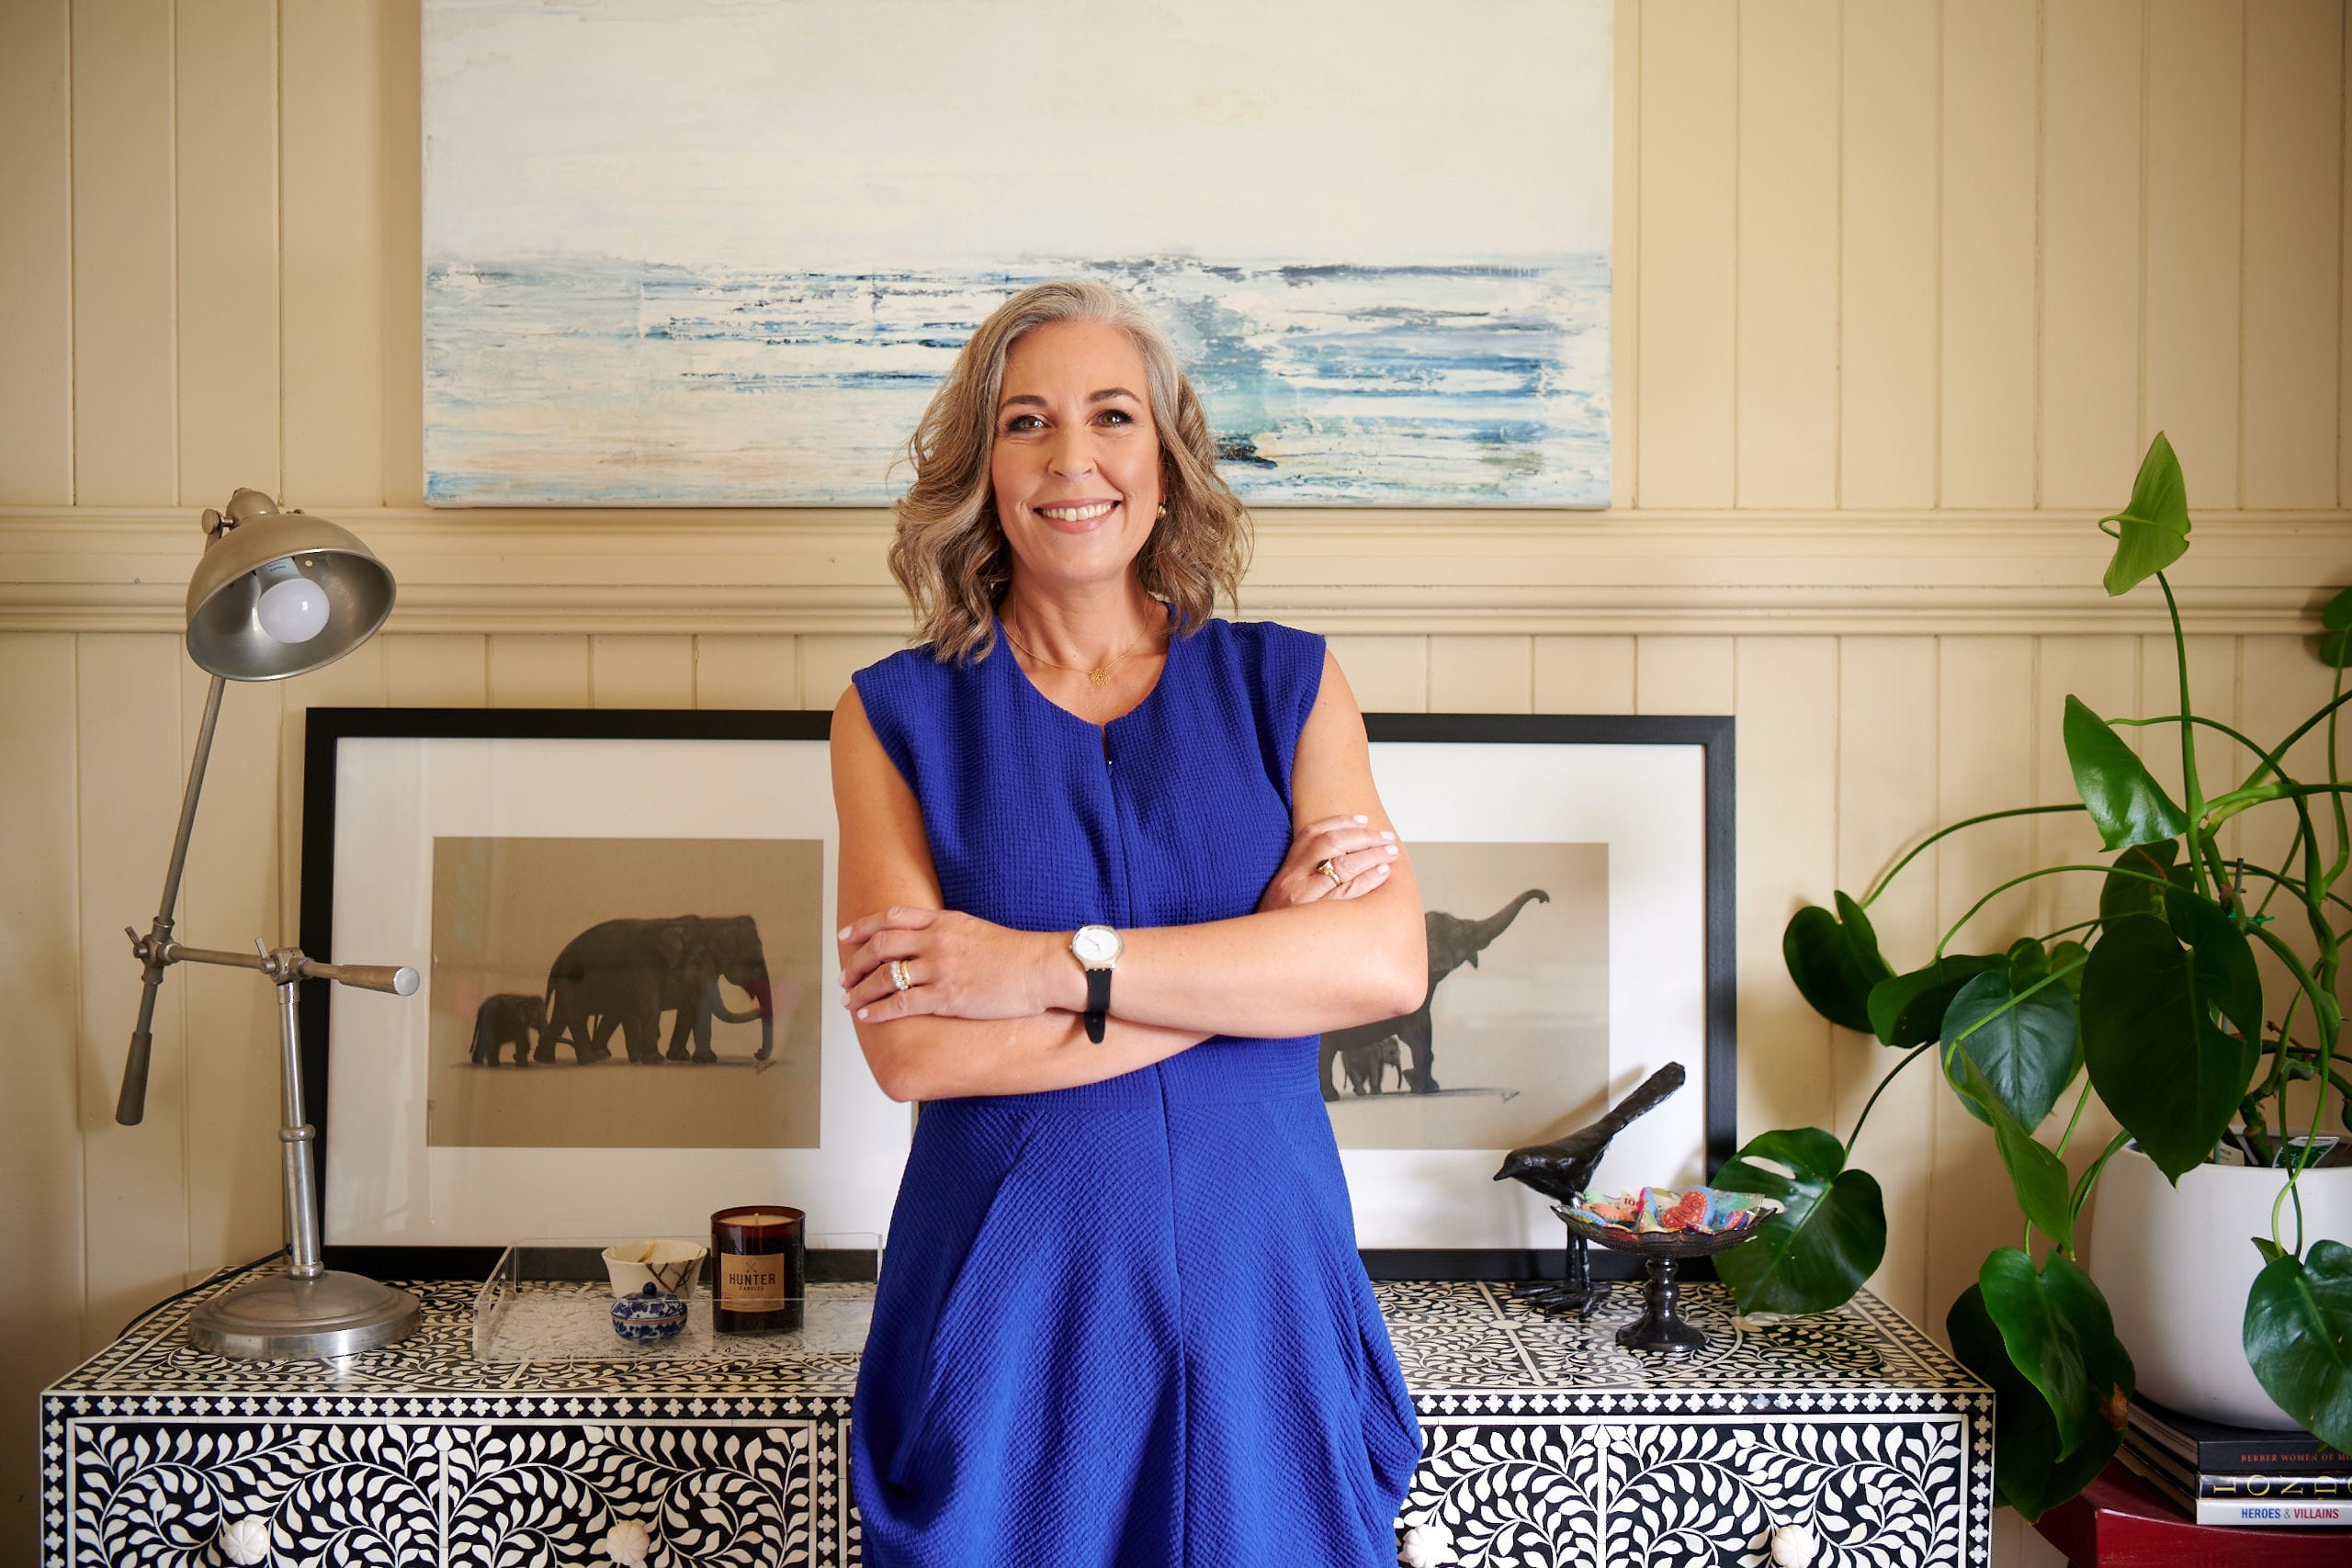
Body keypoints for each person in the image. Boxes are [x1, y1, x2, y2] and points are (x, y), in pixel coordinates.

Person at [831, 278, 1428, 1568]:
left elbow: (1381, 962)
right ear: (980, 469)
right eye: (1027, 422)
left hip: (1260, 1307)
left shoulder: (1293, 682)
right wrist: (1251, 969)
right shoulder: (888, 716)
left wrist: (1043, 969)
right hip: (1008, 1322)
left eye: (1112, 417)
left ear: (1164, 463)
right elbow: (915, 1052)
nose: (1071, 458)